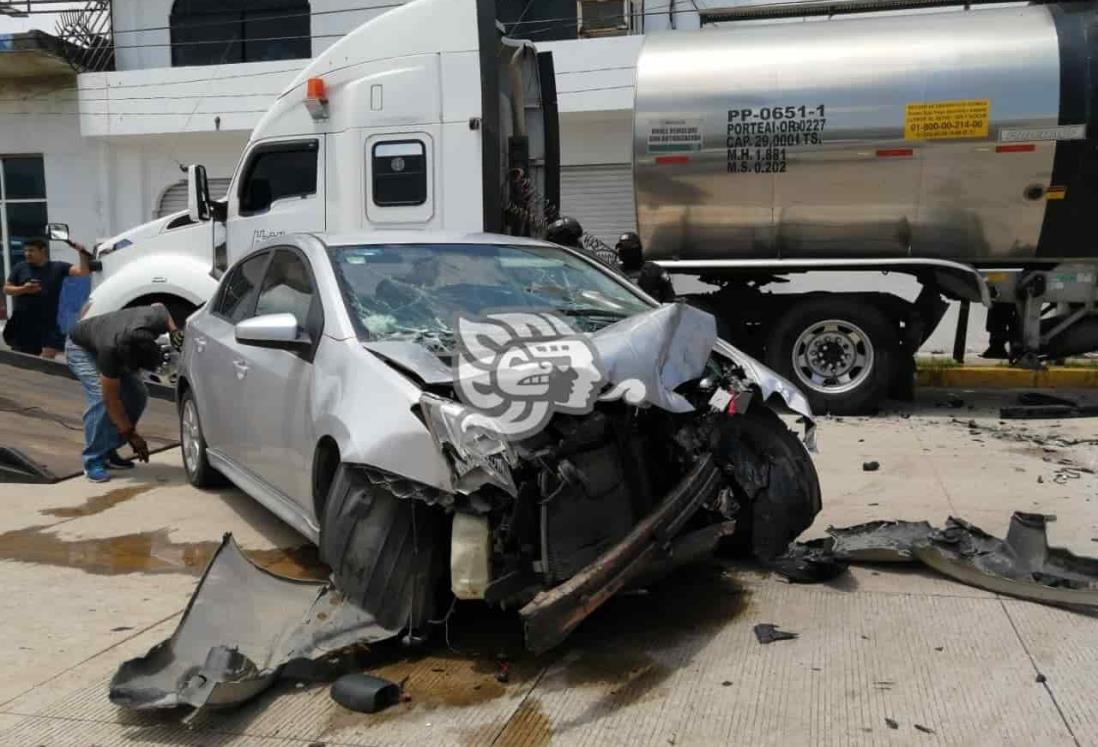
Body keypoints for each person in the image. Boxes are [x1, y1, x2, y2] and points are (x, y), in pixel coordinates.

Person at [65, 304, 177, 482]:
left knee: (137, 394)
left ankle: (108, 449)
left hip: (111, 337)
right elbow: (111, 401)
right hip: (81, 348)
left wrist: (175, 331)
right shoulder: (109, 352)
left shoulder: (153, 321)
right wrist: (131, 435)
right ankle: (93, 459)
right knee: (100, 400)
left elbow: (161, 307)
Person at [3, 236, 92, 358]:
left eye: (31, 250)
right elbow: (7, 289)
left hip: (49, 321)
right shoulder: (20, 268)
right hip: (23, 321)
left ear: (43, 250)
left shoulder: (58, 267)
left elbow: (83, 271)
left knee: (48, 356)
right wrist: (24, 289)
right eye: (26, 251)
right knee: (25, 358)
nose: (27, 254)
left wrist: (82, 253)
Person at [615, 231, 676, 302]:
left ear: (638, 249)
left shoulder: (654, 270)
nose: (624, 251)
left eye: (628, 248)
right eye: (622, 248)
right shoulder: (614, 271)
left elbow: (669, 297)